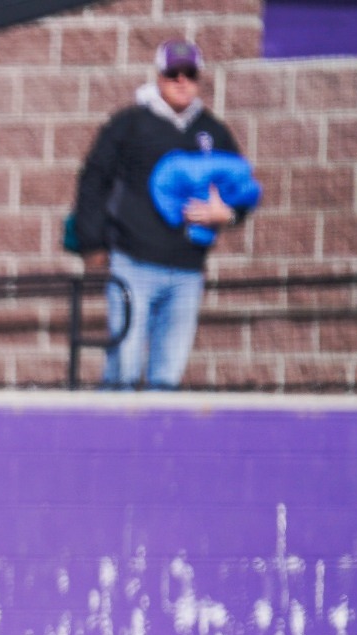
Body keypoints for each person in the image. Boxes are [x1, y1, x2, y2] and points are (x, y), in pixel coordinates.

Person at [73, 39, 253, 390]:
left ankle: (154, 444)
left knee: (167, 376)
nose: (182, 81)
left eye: (190, 74)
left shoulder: (212, 131)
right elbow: (94, 180)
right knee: (124, 368)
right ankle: (108, 440)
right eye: (173, 74)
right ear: (160, 76)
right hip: (133, 263)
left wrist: (227, 214)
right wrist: (92, 241)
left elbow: (242, 187)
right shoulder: (129, 123)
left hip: (187, 271)